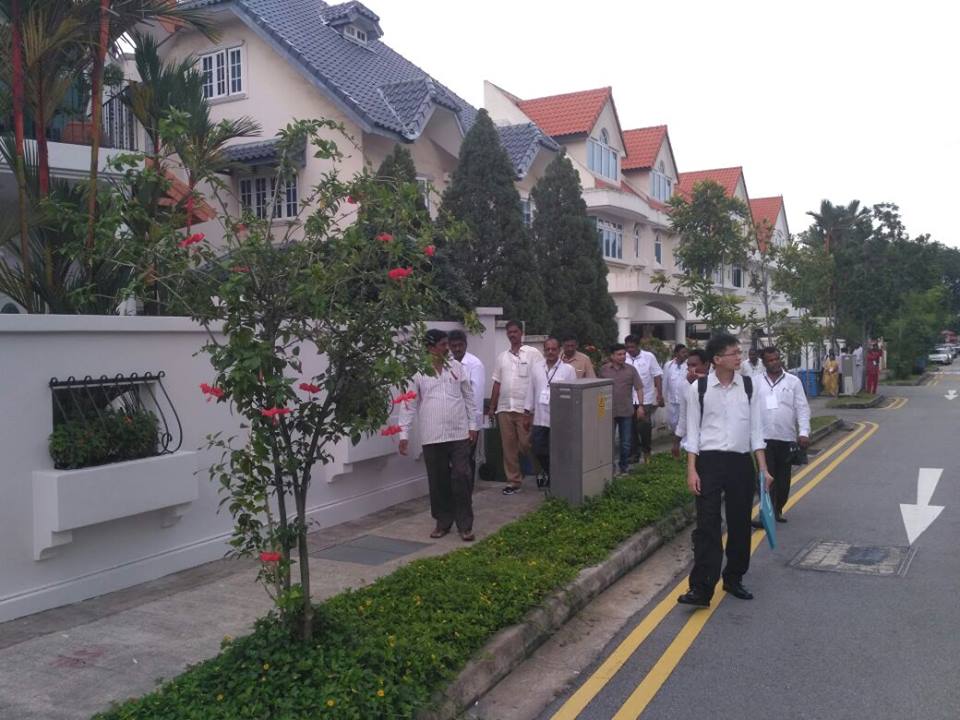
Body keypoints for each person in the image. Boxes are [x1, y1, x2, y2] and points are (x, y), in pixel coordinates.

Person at [678, 333, 768, 607]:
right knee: (707, 524)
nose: (739, 357)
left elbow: (756, 431)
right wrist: (692, 471)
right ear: (717, 359)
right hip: (709, 462)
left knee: (740, 522)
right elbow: (692, 433)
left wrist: (763, 468)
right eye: (733, 353)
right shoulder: (699, 389)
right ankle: (702, 588)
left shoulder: (750, 387)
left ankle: (734, 578)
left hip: (740, 462)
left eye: (739, 353)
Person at [398, 329, 478, 541]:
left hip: (459, 432)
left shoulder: (457, 367)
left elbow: (469, 397)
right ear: (431, 347)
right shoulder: (418, 371)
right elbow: (409, 404)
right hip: (432, 434)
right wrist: (403, 434)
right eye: (443, 344)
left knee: (462, 476)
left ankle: (465, 525)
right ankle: (443, 521)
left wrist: (473, 425)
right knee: (438, 480)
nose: (447, 348)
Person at [753, 346, 810, 524]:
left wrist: (804, 432)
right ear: (764, 363)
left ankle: (777, 509)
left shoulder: (793, 382)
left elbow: (802, 408)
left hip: (786, 438)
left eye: (777, 358)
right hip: (763, 440)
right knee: (766, 478)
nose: (775, 362)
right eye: (770, 360)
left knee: (783, 481)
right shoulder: (755, 382)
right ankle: (766, 515)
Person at [488, 320, 543, 495]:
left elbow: (540, 377)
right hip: (504, 408)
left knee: (527, 444)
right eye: (509, 332)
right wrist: (491, 406)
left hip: (524, 409)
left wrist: (537, 404)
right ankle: (514, 481)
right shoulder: (502, 357)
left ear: (521, 332)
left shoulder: (532, 353)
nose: (512, 335)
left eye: (515, 331)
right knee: (508, 447)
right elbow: (497, 382)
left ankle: (541, 471)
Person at [523, 337, 577, 487]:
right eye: (547, 349)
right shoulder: (536, 368)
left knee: (558, 450)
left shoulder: (568, 370)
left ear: (559, 350)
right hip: (540, 418)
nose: (550, 352)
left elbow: (573, 395)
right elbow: (530, 391)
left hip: (559, 419)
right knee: (538, 449)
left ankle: (556, 479)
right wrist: (527, 412)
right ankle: (551, 473)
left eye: (554, 349)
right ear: (544, 351)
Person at [599, 343, 644, 475]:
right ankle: (609, 467)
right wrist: (600, 411)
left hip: (626, 411)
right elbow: (599, 391)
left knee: (625, 443)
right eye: (619, 354)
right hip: (608, 412)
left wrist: (640, 406)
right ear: (611, 356)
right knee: (608, 442)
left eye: (624, 354)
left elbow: (639, 388)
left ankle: (623, 466)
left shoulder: (631, 370)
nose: (622, 356)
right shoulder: (603, 370)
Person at [448, 330, 485, 478]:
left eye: (460, 345)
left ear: (465, 345)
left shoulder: (474, 364)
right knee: (453, 460)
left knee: (466, 459)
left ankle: (466, 495)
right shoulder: (448, 363)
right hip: (451, 420)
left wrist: (473, 426)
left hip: (468, 422)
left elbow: (476, 397)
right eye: (453, 346)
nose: (457, 349)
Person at [624, 334, 664, 464]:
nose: (630, 349)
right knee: (631, 428)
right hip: (628, 399)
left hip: (645, 398)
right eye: (627, 347)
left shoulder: (649, 357)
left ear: (638, 345)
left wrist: (659, 394)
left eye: (632, 347)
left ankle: (647, 452)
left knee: (643, 427)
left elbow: (657, 375)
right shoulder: (623, 358)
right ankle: (634, 455)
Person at [673, 348, 709, 458]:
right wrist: (676, 442)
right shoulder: (684, 385)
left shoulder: (715, 383)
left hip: (715, 440)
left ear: (706, 365)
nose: (690, 369)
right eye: (688, 365)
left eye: (694, 365)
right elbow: (683, 416)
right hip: (694, 441)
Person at [663, 344, 689, 439]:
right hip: (672, 399)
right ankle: (678, 436)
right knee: (672, 421)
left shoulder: (688, 365)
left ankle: (683, 442)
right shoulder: (668, 365)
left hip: (685, 399)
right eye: (683, 352)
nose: (685, 354)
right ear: (676, 353)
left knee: (684, 421)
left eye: (686, 352)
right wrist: (662, 396)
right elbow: (665, 382)